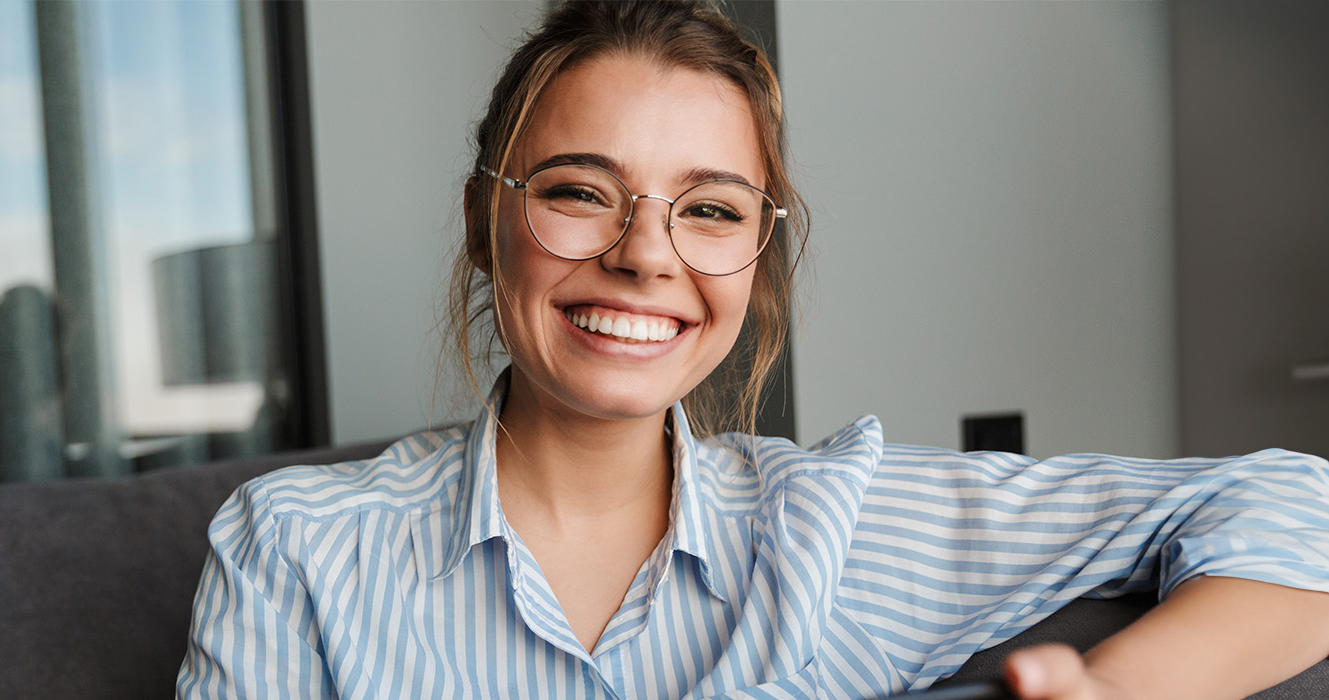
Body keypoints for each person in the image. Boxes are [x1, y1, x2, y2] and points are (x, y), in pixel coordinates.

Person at [176, 2, 1329, 698]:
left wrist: (1117, 687)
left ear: (755, 259)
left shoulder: (833, 525)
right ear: (490, 224)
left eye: (711, 208)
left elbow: (1296, 509)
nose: (644, 255)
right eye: (582, 192)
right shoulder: (296, 549)